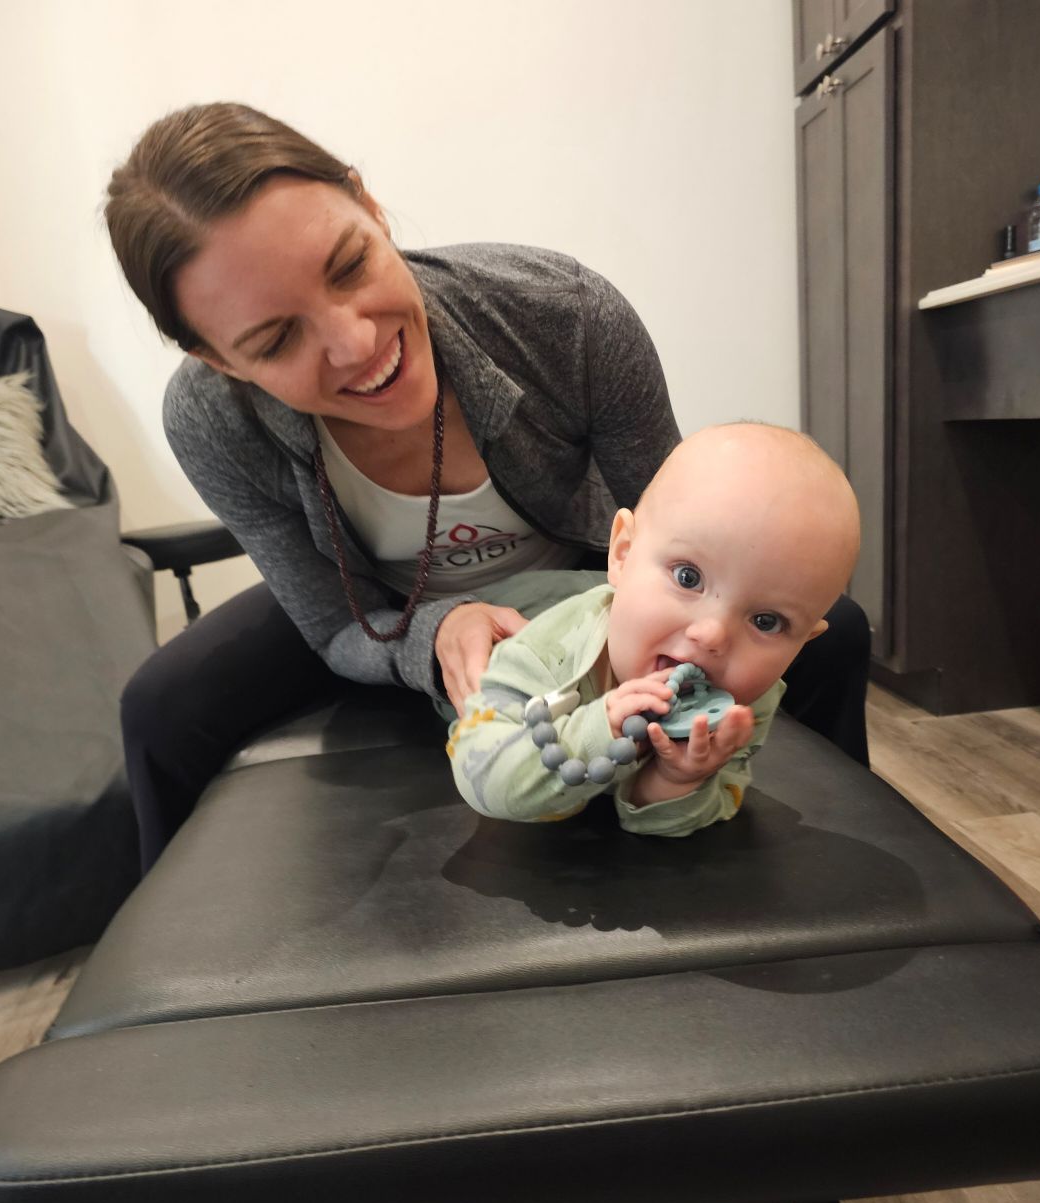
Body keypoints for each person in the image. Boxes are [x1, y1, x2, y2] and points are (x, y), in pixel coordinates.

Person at [105, 102, 872, 871]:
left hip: (581, 592)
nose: (356, 342)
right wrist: (433, 631)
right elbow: (339, 627)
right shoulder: (214, 421)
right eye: (276, 340)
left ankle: (826, 889)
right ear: (222, 362)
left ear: (371, 208)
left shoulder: (564, 316)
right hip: (386, 613)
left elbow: (678, 537)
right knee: (163, 708)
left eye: (350, 266)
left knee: (830, 625)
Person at [447, 423, 860, 836]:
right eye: (687, 577)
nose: (712, 634)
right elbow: (483, 780)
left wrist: (677, 781)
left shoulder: (743, 704)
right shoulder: (542, 652)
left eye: (766, 622)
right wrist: (598, 728)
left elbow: (697, 809)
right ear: (624, 553)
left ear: (800, 645)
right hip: (510, 621)